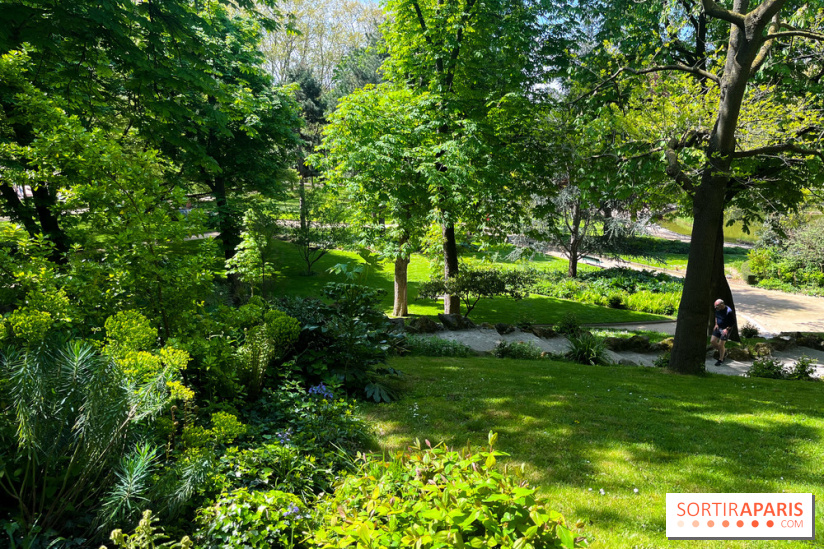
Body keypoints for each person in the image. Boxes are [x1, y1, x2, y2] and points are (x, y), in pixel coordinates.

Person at [711, 299, 735, 365]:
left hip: (726, 329)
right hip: (718, 327)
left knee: (721, 344)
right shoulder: (717, 309)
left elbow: (732, 322)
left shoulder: (729, 311)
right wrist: (716, 324)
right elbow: (716, 316)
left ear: (722, 305)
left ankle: (721, 359)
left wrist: (726, 329)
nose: (716, 308)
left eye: (717, 306)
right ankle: (723, 351)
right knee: (712, 341)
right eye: (715, 306)